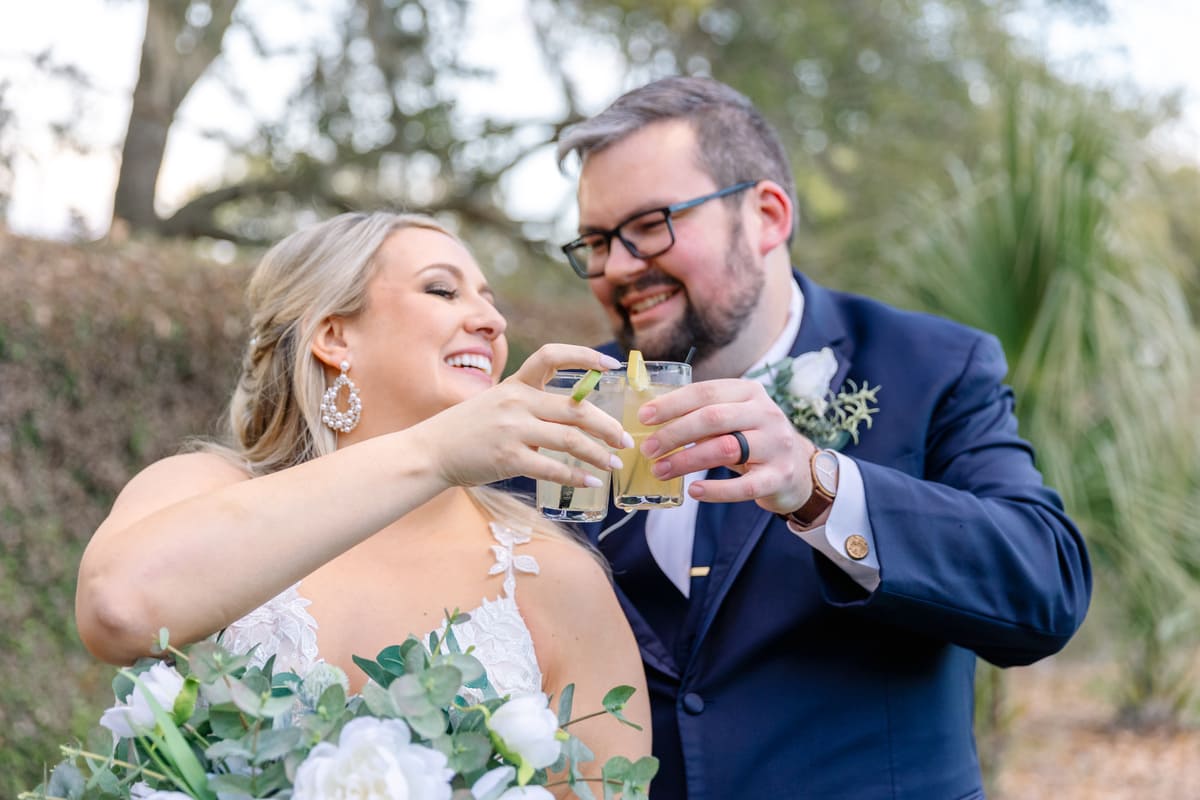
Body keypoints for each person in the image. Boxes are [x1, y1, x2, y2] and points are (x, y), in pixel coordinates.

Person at [554, 76, 1091, 799]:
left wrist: (821, 488)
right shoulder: (568, 403)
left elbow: (1045, 587)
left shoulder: (933, 367)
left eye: (650, 226)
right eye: (595, 241)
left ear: (767, 215)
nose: (617, 266)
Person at [74, 211, 652, 782]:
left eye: (490, 300)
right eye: (443, 289)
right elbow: (118, 611)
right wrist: (433, 453)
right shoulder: (198, 486)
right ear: (333, 335)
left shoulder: (554, 573)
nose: (491, 321)